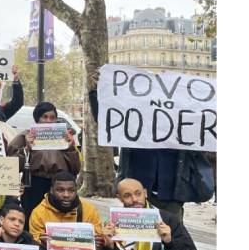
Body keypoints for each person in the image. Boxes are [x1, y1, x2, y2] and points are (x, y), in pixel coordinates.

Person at [87, 90, 215, 223]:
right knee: (135, 235)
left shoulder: (182, 128)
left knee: (171, 237)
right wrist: (95, 91)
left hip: (171, 196)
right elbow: (107, 118)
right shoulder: (134, 124)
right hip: (136, 193)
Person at [8, 102, 80, 218]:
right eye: (44, 117)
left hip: (59, 184)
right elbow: (12, 165)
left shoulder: (64, 136)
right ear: (37, 119)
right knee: (32, 215)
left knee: (58, 216)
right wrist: (27, 148)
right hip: (34, 183)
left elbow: (76, 168)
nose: (48, 120)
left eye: (52, 117)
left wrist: (70, 147)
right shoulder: (25, 136)